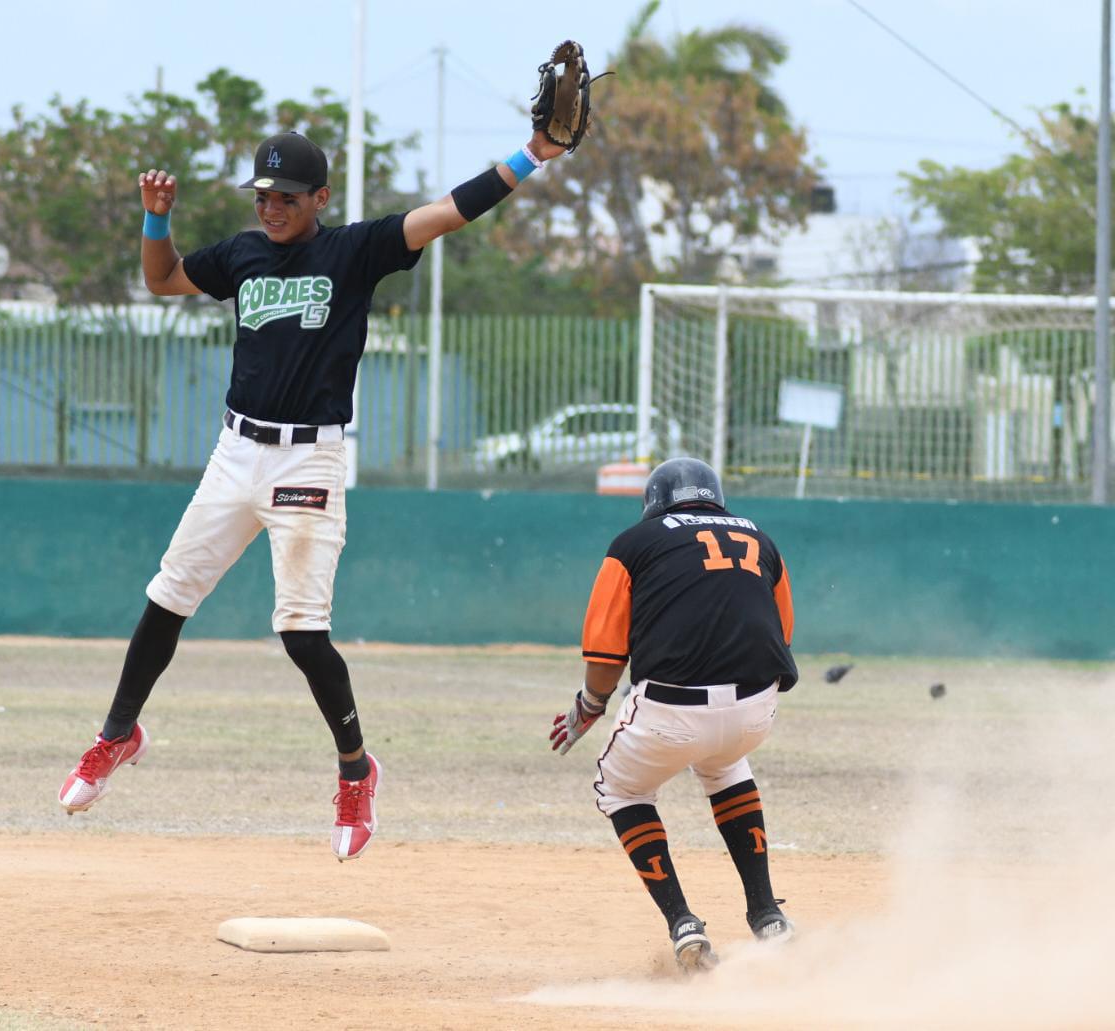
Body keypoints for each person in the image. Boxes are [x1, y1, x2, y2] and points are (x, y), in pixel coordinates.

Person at [59, 126, 567, 861]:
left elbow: (449, 211)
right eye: (263, 195)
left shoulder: (351, 251)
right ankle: (116, 735)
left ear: (319, 198)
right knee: (167, 598)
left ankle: (357, 769)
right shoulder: (241, 253)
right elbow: (163, 280)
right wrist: (156, 218)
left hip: (309, 461)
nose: (271, 207)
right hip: (236, 453)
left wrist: (532, 156)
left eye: (286, 197)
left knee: (301, 632)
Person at [549, 457, 799, 970]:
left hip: (669, 710)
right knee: (726, 764)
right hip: (756, 708)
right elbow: (783, 633)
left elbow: (603, 655)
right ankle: (767, 915)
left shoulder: (633, 544)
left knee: (621, 789)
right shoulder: (761, 538)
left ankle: (683, 921)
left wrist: (591, 705)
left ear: (655, 503)